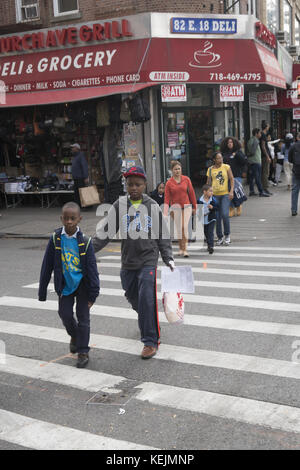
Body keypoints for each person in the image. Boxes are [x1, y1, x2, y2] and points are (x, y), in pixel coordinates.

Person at [93, 166, 174, 360]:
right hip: (128, 260)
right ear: (126, 185)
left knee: (147, 299)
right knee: (132, 296)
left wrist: (168, 257)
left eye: (138, 184)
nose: (134, 188)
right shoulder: (119, 206)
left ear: (145, 185)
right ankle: (149, 319)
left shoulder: (152, 206)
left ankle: (150, 341)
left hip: (148, 258)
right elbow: (105, 233)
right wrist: (87, 248)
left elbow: (163, 234)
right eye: (130, 184)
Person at [38, 202, 100, 368]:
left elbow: (93, 270)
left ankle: (83, 352)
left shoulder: (86, 242)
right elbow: (47, 265)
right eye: (66, 218)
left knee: (83, 319)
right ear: (61, 219)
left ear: (79, 219)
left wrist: (93, 294)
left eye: (73, 218)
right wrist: (42, 291)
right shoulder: (56, 239)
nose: (69, 222)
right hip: (65, 284)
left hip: (83, 286)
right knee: (64, 314)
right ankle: (74, 335)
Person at [164, 161, 197, 258]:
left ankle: (185, 249)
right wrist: (165, 212)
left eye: (179, 169)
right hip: (175, 208)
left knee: (184, 227)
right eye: (175, 169)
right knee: (179, 229)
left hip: (186, 206)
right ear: (172, 171)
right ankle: (180, 248)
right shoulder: (169, 183)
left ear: (181, 169)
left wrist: (194, 206)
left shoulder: (186, 179)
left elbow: (191, 193)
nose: (177, 171)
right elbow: (167, 198)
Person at [207, 152, 234, 246]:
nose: (220, 159)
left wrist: (231, 191)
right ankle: (220, 237)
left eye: (221, 158)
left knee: (225, 214)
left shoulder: (226, 167)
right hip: (214, 196)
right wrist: (207, 195)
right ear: (214, 159)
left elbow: (232, 179)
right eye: (218, 158)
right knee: (217, 217)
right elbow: (208, 183)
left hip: (225, 195)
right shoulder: (210, 169)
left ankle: (227, 235)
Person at [220, 136, 247, 217]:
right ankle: (231, 208)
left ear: (234, 143)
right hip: (226, 177)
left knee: (236, 192)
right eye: (228, 143)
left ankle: (238, 206)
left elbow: (244, 162)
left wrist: (237, 155)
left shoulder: (239, 152)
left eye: (231, 142)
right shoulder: (223, 153)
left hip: (236, 175)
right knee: (229, 193)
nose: (230, 144)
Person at [247, 129, 269, 197]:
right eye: (259, 133)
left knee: (251, 177)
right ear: (256, 134)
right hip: (256, 161)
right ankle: (261, 191)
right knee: (258, 177)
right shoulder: (256, 141)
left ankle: (251, 191)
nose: (260, 134)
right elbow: (253, 152)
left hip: (251, 161)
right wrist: (249, 155)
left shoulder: (250, 140)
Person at [198, 184, 218, 254]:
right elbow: (197, 209)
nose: (212, 193)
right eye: (210, 191)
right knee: (206, 233)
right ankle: (209, 244)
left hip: (211, 218)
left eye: (212, 191)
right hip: (203, 219)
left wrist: (212, 207)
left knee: (210, 232)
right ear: (204, 192)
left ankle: (211, 246)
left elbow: (217, 207)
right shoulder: (199, 200)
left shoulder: (213, 200)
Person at [71, 143, 89, 208]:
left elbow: (84, 166)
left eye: (73, 147)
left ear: (77, 148)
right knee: (77, 193)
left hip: (80, 178)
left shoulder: (81, 156)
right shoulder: (75, 157)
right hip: (76, 178)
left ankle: (85, 206)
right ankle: (78, 206)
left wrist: (86, 177)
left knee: (82, 193)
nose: (72, 149)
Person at [288, 132, 300, 216]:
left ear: (297, 138)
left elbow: (289, 159)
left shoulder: (293, 146)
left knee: (295, 190)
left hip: (296, 170)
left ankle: (294, 210)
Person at [260, 123, 272, 196]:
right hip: (264, 156)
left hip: (262, 156)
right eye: (268, 126)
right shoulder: (263, 135)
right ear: (266, 127)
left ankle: (263, 187)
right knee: (265, 172)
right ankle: (265, 188)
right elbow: (263, 146)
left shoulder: (262, 134)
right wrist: (267, 156)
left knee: (264, 172)